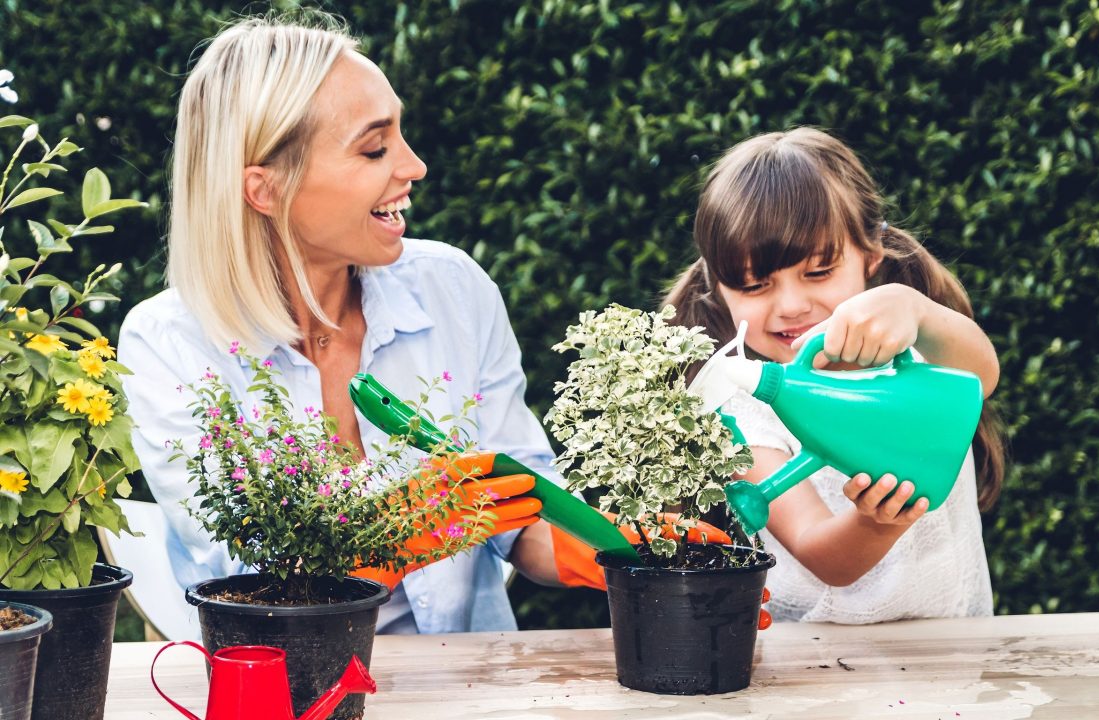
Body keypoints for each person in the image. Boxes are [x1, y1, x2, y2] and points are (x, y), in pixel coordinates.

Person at [118, 13, 636, 634]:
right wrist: (406, 530)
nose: (413, 166)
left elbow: (521, 505)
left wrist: (623, 551)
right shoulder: (168, 345)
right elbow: (247, 579)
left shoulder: (454, 289)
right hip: (289, 684)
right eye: (374, 147)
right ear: (266, 188)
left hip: (467, 683)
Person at [664, 127, 1005, 623]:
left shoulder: (911, 347)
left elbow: (981, 378)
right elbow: (821, 553)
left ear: (870, 256)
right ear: (718, 288)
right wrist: (877, 522)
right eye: (755, 285)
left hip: (956, 647)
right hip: (813, 666)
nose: (791, 306)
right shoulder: (741, 412)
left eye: (818, 273)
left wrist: (918, 311)